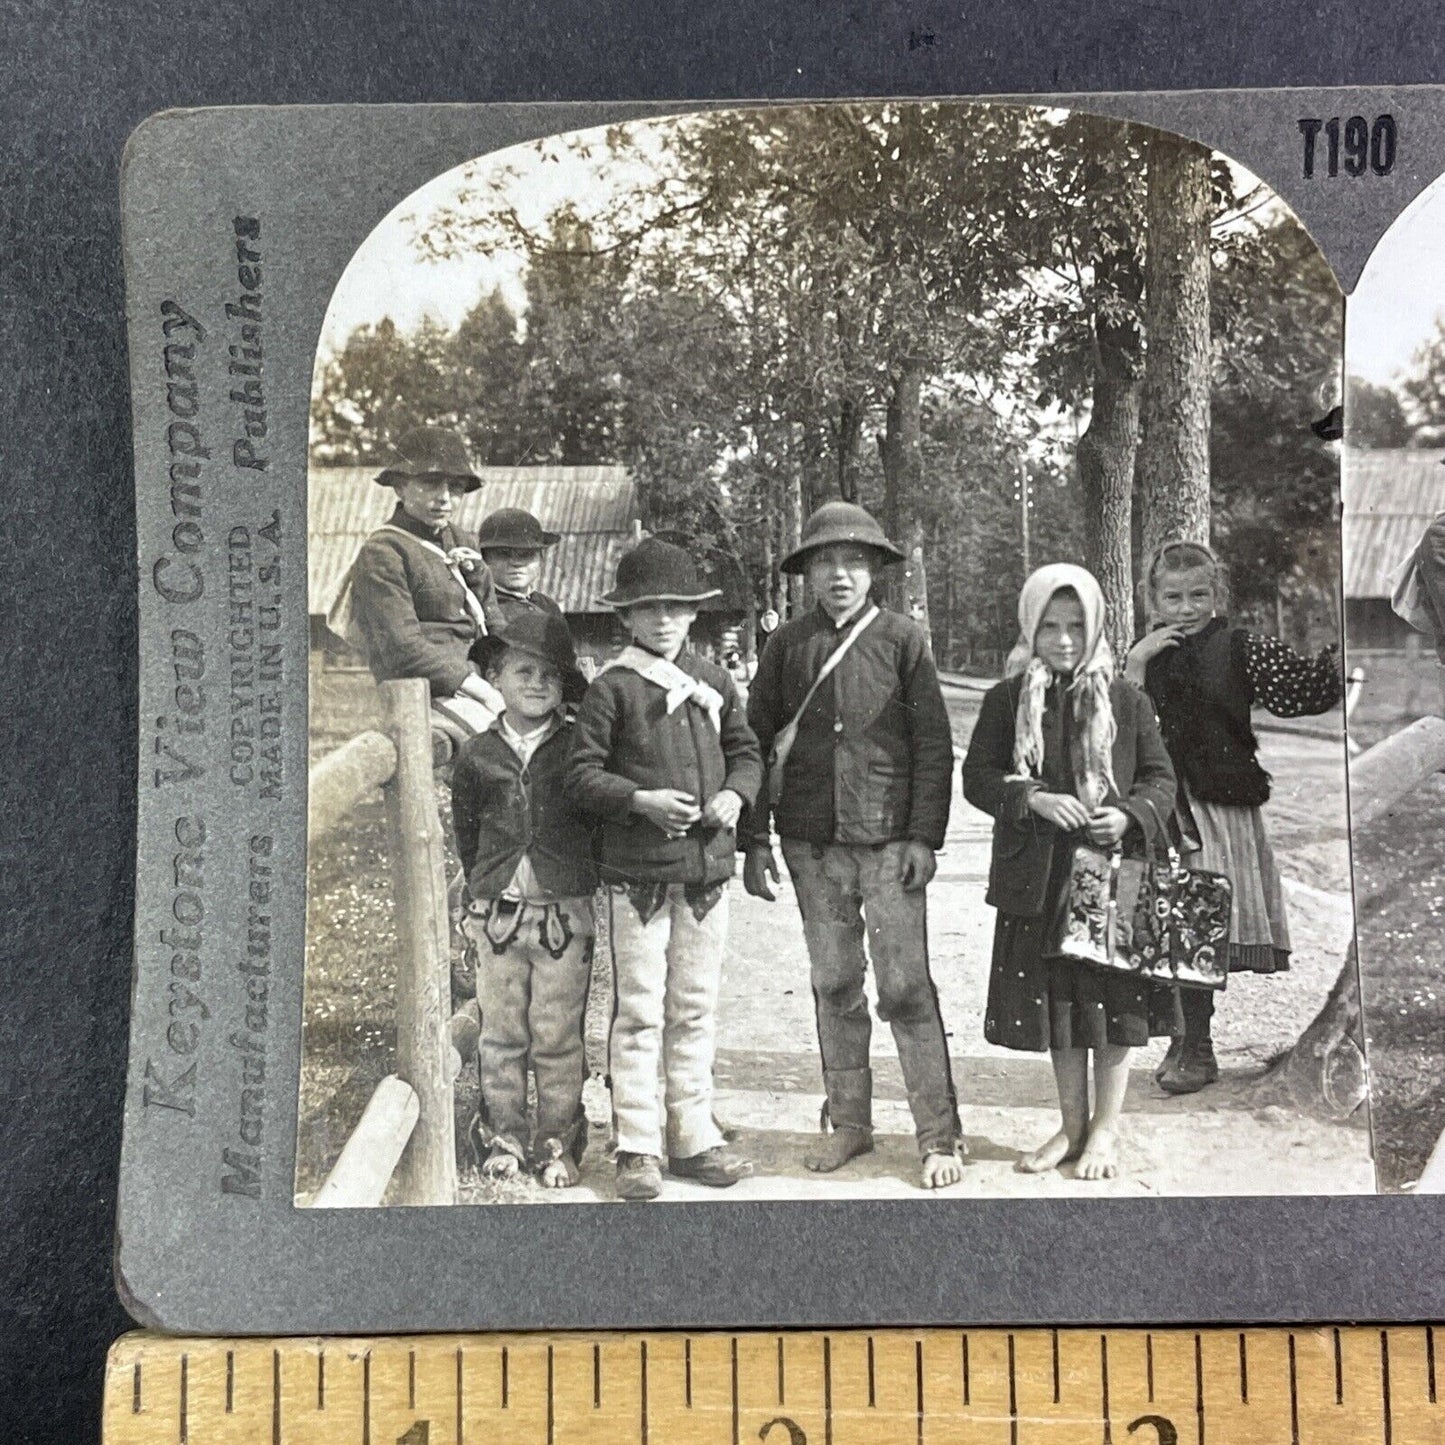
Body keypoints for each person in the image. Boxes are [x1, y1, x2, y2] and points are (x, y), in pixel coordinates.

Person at [743, 501, 963, 1190]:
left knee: (904, 988)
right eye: (825, 561)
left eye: (854, 561)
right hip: (811, 845)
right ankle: (848, 1124)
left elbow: (932, 745)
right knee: (833, 983)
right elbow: (751, 741)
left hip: (889, 844)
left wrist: (924, 835)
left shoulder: (903, 641)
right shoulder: (785, 646)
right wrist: (754, 839)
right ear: (806, 572)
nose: (839, 573)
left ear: (874, 571)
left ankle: (937, 1134)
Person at [963, 564, 1179, 1181]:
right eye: (1050, 627)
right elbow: (977, 776)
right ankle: (1072, 1126)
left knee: (1112, 1002)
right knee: (1059, 1005)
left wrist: (1131, 815)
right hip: (1043, 876)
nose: (1063, 640)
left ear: (1096, 628)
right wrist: (1030, 796)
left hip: (1114, 874)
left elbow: (1160, 779)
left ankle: (1107, 1131)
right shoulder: (1006, 700)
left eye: (1076, 627)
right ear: (1030, 628)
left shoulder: (1126, 699)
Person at [566, 537, 763, 1202]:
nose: (662, 621)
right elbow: (580, 774)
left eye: (675, 609)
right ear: (625, 616)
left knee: (696, 1008)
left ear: (692, 614)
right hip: (638, 876)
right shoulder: (612, 689)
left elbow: (746, 750)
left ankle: (693, 1136)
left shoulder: (714, 680)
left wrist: (736, 791)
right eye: (648, 609)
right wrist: (639, 800)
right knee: (641, 1011)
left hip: (705, 874)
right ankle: (636, 1145)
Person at [1124, 539, 1343, 1095]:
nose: (1186, 607)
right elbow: (1115, 724)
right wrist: (1135, 663)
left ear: (1217, 594)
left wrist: (1337, 655)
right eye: (1173, 596)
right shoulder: (1142, 653)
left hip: (1218, 806)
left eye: (1199, 594)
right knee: (1169, 924)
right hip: (1160, 805)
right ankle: (1183, 1039)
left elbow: (1302, 693)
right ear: (1154, 600)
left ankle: (1196, 1045)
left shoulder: (1238, 647)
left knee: (1201, 920)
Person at [451, 612, 596, 1188]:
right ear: (496, 675)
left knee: (558, 1035)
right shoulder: (478, 753)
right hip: (499, 915)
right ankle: (504, 1136)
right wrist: (482, 888)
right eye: (523, 671)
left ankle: (557, 1140)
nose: (536, 684)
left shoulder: (578, 748)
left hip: (564, 915)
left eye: (550, 676)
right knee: (502, 1032)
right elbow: (467, 831)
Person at [344, 427, 507, 756]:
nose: (445, 497)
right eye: (431, 483)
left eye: (456, 487)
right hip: (424, 692)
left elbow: (492, 620)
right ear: (401, 486)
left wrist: (507, 671)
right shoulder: (384, 551)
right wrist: (482, 690)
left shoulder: (462, 541)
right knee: (506, 751)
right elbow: (402, 647)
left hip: (477, 683)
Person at [477, 507, 565, 625]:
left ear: (541, 559)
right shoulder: (479, 606)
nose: (516, 562)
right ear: (485, 558)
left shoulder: (548, 606)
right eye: (503, 553)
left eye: (526, 554)